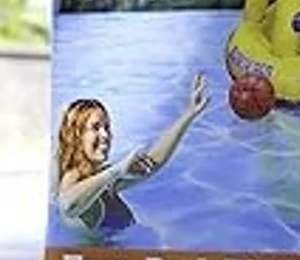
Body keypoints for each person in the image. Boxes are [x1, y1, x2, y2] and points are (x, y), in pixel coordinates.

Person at [55, 73, 209, 238]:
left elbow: (153, 162)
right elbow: (68, 205)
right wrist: (116, 171)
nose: (105, 135)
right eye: (95, 127)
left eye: (107, 127)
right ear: (77, 135)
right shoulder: (73, 178)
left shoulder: (98, 177)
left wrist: (189, 114)